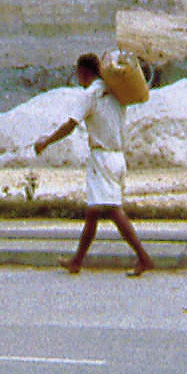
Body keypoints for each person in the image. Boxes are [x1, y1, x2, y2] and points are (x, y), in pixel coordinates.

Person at [33, 53, 154, 276]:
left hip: (102, 159)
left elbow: (70, 125)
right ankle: (76, 261)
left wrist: (45, 141)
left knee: (114, 211)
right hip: (118, 158)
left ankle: (143, 257)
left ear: (83, 72)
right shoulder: (115, 92)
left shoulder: (90, 95)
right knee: (93, 212)